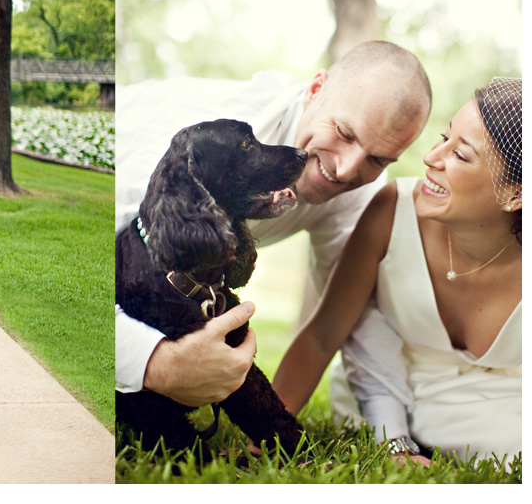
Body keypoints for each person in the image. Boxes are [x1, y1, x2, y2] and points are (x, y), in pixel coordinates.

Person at [116, 41, 432, 406]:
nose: (345, 170)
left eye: (377, 159)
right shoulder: (193, 146)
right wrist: (157, 364)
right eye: (345, 133)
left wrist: (392, 438)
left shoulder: (360, 187)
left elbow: (349, 319)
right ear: (314, 90)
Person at [273, 77, 522, 465]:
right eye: (444, 137)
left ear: (516, 193)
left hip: (503, 401)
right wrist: (267, 431)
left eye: (461, 155)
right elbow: (323, 335)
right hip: (388, 389)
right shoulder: (392, 208)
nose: (431, 158)